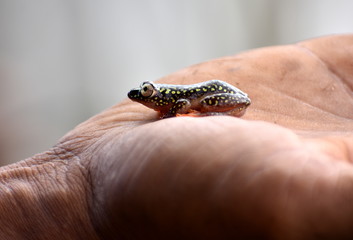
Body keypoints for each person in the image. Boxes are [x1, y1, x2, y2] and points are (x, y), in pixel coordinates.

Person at [0, 35, 352, 240]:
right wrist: (77, 186)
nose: (142, 98)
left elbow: (184, 103)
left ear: (157, 95)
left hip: (221, 95)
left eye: (146, 93)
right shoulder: (160, 101)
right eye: (143, 94)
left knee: (205, 101)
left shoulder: (170, 99)